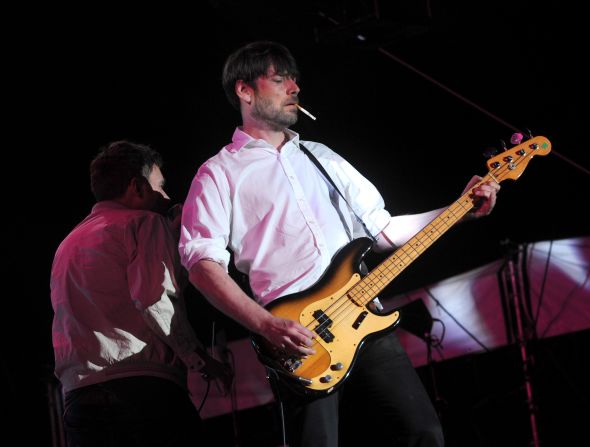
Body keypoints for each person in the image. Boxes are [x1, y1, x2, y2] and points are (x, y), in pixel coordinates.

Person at [179, 41, 500, 447]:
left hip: (364, 315)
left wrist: (458, 209)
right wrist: (264, 324)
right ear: (245, 91)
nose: (294, 87)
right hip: (297, 337)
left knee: (422, 433)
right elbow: (202, 266)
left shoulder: (321, 157)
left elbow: (381, 231)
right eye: (279, 79)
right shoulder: (218, 173)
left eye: (294, 79)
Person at [50, 140, 230, 447]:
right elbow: (154, 299)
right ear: (137, 186)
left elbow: (122, 299)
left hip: (78, 400)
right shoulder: (144, 222)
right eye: (160, 187)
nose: (166, 196)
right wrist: (200, 359)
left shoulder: (67, 244)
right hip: (142, 393)